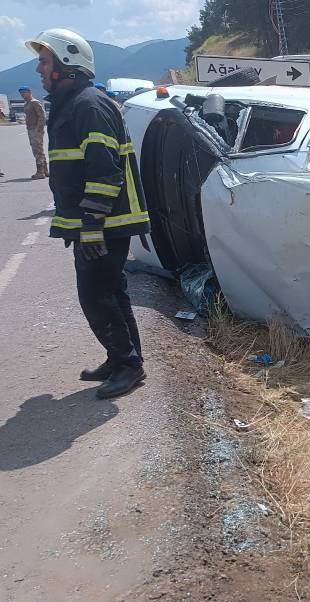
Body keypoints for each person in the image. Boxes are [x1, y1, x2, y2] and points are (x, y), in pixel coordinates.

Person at [26, 27, 151, 399]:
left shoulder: (88, 106)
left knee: (96, 294)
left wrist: (92, 226)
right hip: (99, 222)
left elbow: (104, 172)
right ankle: (124, 361)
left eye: (44, 61)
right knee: (111, 292)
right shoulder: (75, 104)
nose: (38, 70)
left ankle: (127, 364)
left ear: (67, 66)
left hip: (104, 223)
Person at [19, 86, 49, 179]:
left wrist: (39, 129)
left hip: (35, 129)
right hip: (30, 129)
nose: (22, 94)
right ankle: (45, 171)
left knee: (37, 150)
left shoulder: (34, 102)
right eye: (21, 93)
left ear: (29, 92)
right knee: (38, 150)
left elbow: (42, 116)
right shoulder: (27, 104)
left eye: (24, 92)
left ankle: (40, 172)